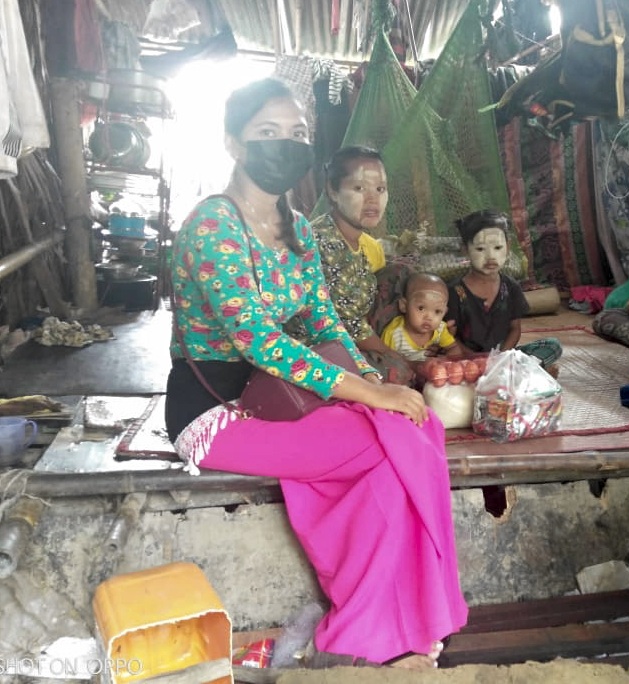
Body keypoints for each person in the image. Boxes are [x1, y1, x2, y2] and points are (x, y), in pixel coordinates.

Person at [163, 77, 467, 670]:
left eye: (297, 133)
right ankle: (372, 624)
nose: (287, 143)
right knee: (383, 437)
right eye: (267, 133)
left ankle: (411, 614)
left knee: (412, 430)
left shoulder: (299, 228)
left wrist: (370, 393)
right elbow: (260, 343)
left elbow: (325, 325)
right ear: (234, 143)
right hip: (215, 411)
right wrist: (371, 395)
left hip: (275, 401)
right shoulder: (212, 228)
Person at [287, 145, 415, 385]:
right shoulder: (325, 242)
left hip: (349, 336)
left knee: (400, 273)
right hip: (316, 352)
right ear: (333, 191)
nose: (372, 199)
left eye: (380, 189)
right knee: (398, 372)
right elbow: (348, 325)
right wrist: (395, 356)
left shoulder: (358, 242)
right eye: (358, 188)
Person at [446, 209, 563, 370]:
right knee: (443, 362)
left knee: (553, 345)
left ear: (507, 247)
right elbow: (450, 337)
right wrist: (476, 359)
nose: (490, 256)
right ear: (465, 249)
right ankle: (526, 373)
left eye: (498, 247)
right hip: (468, 359)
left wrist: (500, 357)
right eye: (480, 249)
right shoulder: (455, 291)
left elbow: (515, 329)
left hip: (503, 357)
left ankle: (521, 370)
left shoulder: (511, 287)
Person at [381, 272, 464, 362]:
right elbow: (385, 361)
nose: (429, 317)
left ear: (444, 312)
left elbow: (455, 349)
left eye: (437, 311)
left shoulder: (440, 330)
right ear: (404, 306)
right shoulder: (394, 334)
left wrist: (444, 360)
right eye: (421, 308)